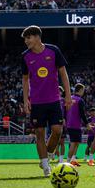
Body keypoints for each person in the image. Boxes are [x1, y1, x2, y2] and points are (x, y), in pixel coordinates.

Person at [20, 25, 72, 178]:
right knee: (39, 133)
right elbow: (25, 79)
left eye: (28, 38)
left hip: (54, 100)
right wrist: (25, 100)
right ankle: (45, 166)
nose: (26, 41)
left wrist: (68, 95)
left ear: (37, 37)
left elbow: (63, 73)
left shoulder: (53, 50)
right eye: (25, 39)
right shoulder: (25, 56)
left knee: (57, 131)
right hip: (36, 102)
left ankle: (47, 155)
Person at [64, 83, 85, 166]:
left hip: (69, 124)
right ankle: (68, 162)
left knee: (76, 142)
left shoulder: (69, 98)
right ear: (80, 90)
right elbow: (82, 114)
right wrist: (87, 124)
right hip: (76, 124)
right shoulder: (80, 100)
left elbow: (65, 111)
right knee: (74, 143)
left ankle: (73, 160)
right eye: (83, 90)